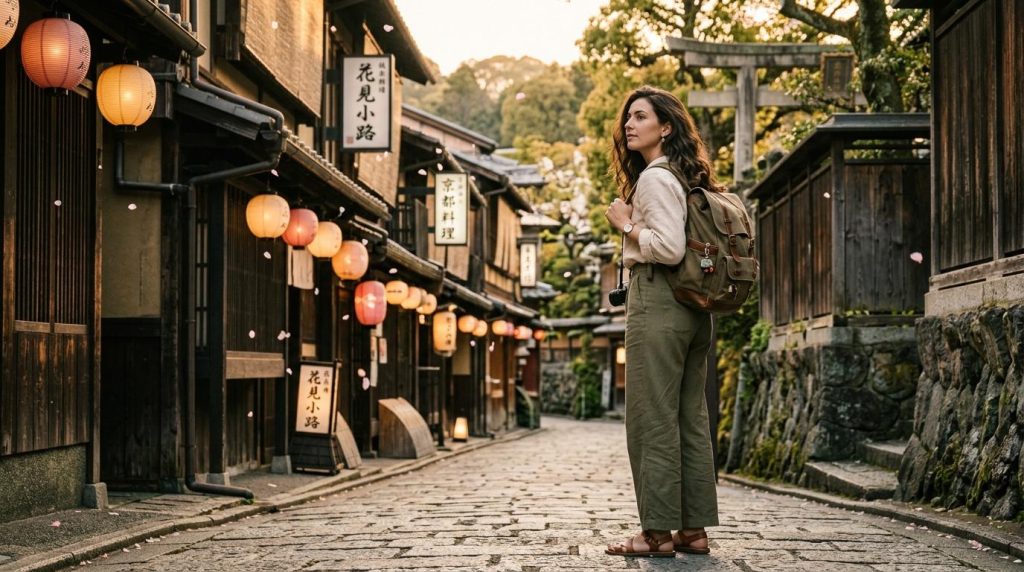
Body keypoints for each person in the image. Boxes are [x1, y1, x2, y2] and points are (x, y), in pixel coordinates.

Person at [604, 85, 721, 558]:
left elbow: (669, 248)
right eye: (628, 118)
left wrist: (626, 223)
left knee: (651, 417)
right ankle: (692, 531)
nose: (629, 125)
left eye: (640, 117)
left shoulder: (655, 177)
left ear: (665, 126)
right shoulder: (685, 175)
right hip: (694, 309)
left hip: (659, 300)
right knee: (689, 416)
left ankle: (655, 534)